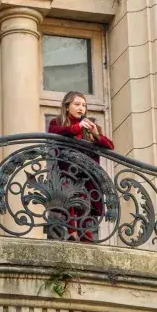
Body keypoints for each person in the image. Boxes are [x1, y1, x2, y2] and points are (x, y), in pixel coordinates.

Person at [47, 91, 115, 242]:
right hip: (68, 171)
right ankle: (72, 232)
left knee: (87, 203)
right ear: (66, 106)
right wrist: (76, 127)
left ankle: (86, 237)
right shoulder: (57, 122)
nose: (81, 108)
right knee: (70, 194)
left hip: (88, 174)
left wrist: (97, 134)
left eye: (84, 105)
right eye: (77, 104)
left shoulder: (92, 126)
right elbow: (54, 132)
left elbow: (110, 146)